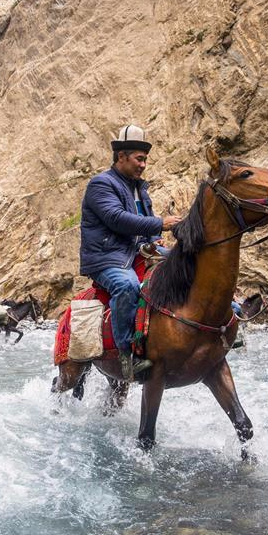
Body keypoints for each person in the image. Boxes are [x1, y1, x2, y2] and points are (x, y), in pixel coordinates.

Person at [80, 124, 181, 381]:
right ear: (121, 157)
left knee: (188, 262)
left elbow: (146, 228)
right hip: (106, 259)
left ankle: (230, 314)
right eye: (139, 158)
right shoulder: (100, 184)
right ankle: (127, 355)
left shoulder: (141, 190)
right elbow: (117, 219)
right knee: (126, 286)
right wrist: (162, 222)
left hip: (137, 253)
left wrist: (156, 240)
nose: (144, 164)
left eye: (146, 159)